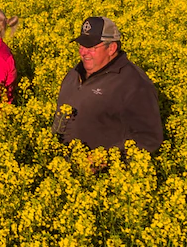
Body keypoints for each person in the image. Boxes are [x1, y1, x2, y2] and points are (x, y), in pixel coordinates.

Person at [52, 16, 163, 155]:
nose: (83, 52)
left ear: (111, 48)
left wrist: (103, 159)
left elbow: (149, 138)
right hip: (63, 168)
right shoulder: (74, 74)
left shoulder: (133, 83)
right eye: (81, 46)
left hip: (103, 173)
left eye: (91, 47)